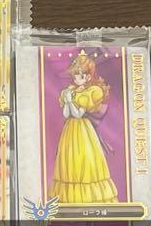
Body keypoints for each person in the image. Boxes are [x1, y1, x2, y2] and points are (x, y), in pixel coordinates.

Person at [49, 50, 117, 204]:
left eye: (80, 76)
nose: (76, 79)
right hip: (70, 130)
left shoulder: (91, 92)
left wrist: (70, 101)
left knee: (85, 160)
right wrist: (67, 101)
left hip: (84, 132)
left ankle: (89, 200)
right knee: (69, 161)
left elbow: (79, 114)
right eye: (74, 76)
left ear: (87, 77)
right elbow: (67, 114)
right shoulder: (70, 91)